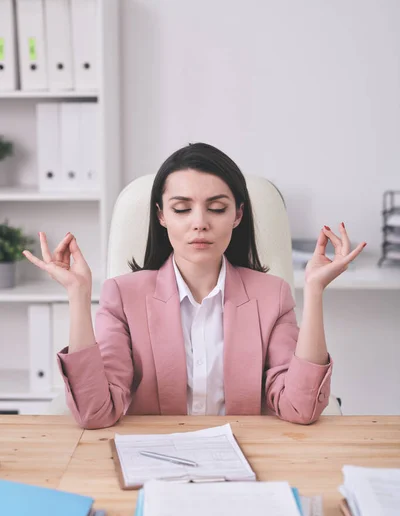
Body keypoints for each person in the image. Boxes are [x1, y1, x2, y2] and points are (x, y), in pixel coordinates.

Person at [23, 143, 366, 429]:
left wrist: (316, 291)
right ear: (161, 216)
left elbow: (300, 408)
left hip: (244, 460)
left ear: (237, 215)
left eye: (216, 208)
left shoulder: (272, 295)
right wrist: (79, 297)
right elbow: (96, 412)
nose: (199, 223)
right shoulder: (122, 296)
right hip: (154, 460)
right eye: (182, 209)